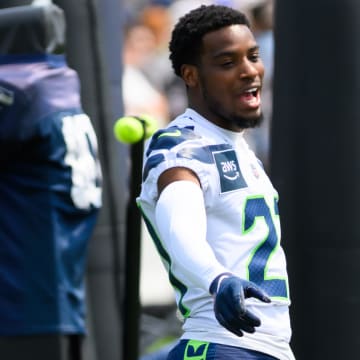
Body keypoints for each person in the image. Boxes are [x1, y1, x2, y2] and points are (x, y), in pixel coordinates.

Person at [137, 4, 294, 360]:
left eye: (253, 56)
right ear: (191, 76)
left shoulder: (236, 145)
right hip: (221, 345)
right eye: (227, 63)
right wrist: (217, 278)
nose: (249, 71)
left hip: (258, 348)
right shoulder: (182, 145)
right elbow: (181, 223)